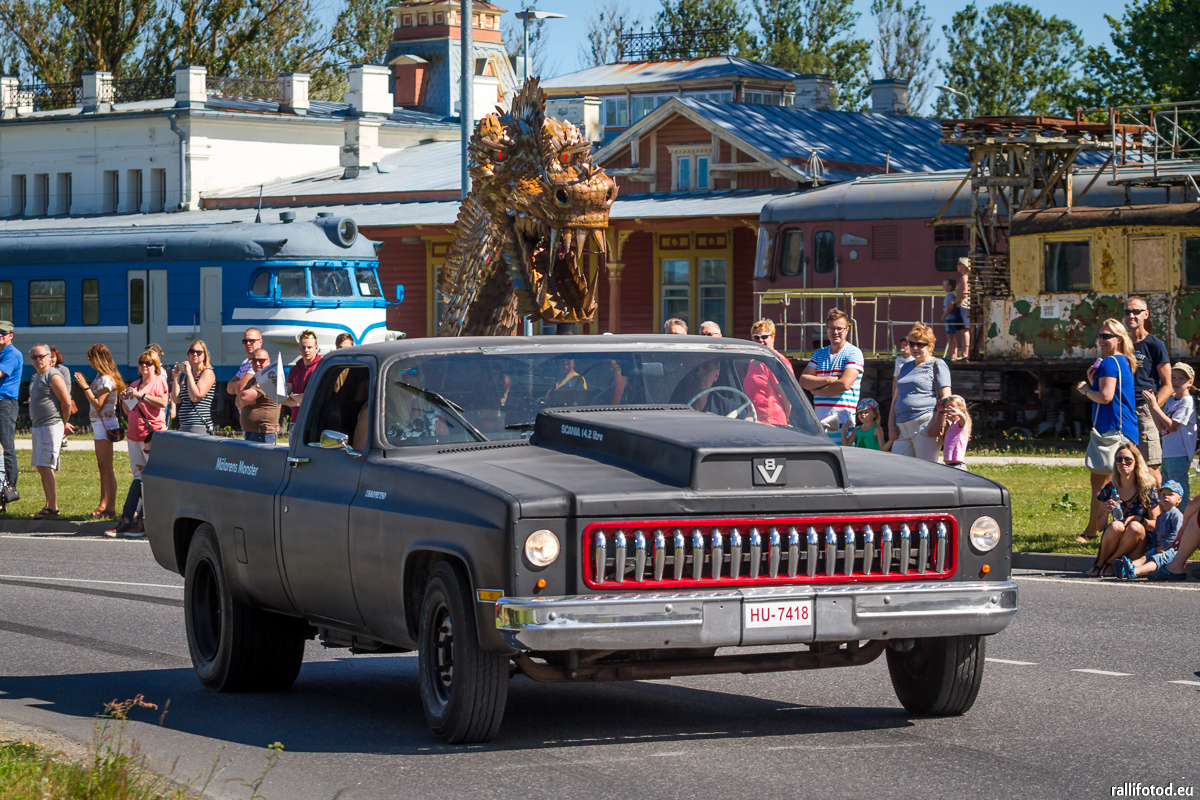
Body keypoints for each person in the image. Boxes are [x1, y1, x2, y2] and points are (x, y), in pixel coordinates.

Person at [1075, 318, 1139, 543]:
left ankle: (1092, 531)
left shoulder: (1110, 362)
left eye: (1106, 336)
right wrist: (1094, 381)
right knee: (1115, 483)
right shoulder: (1124, 361)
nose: (1101, 340)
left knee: (1100, 484)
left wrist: (1085, 390)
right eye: (1100, 335)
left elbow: (1105, 396)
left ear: (1119, 339)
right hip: (1124, 428)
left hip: (1112, 430)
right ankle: (1112, 528)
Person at [107, 350, 168, 537]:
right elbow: (129, 411)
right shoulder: (134, 384)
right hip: (134, 435)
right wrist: (125, 400)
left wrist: (140, 395)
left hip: (151, 436)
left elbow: (163, 402)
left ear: (155, 366)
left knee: (150, 478)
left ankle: (142, 521)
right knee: (138, 477)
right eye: (142, 362)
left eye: (149, 363)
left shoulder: (159, 381)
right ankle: (128, 520)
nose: (144, 366)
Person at [1087, 442, 1159, 577]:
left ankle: (1108, 563)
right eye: (1119, 459)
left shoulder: (1147, 489)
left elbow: (1157, 524)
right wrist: (1107, 512)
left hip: (1138, 542)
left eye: (1128, 459)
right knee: (1116, 526)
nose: (1123, 463)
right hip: (1117, 538)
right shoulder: (1110, 488)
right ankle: (1100, 563)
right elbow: (1099, 527)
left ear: (1136, 462)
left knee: (1135, 527)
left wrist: (1141, 520)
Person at [74, 344, 125, 518]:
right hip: (100, 424)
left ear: (97, 359)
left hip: (105, 425)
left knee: (106, 467)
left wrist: (85, 386)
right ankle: (103, 504)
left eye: (90, 357)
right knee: (102, 466)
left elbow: (98, 404)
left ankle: (109, 507)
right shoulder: (101, 377)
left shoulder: (105, 379)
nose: (88, 360)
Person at [1124, 296, 1171, 483]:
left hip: (1144, 410)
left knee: (1151, 468)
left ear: (1146, 314)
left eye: (1136, 312)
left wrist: (1153, 407)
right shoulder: (1121, 344)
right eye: (1127, 312)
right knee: (1125, 467)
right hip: (1123, 411)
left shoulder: (1155, 345)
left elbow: (1168, 385)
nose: (1131, 316)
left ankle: (1161, 502)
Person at [888, 323, 951, 461]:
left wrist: (938, 423)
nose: (915, 348)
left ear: (930, 346)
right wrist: (891, 425)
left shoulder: (938, 364)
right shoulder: (905, 367)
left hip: (925, 425)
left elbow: (946, 397)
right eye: (911, 344)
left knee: (925, 469)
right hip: (901, 427)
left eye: (920, 344)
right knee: (899, 469)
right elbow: (896, 399)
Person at [27, 344, 76, 518]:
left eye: (41, 356)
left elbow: (66, 402)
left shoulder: (53, 376)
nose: (38, 360)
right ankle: (48, 505)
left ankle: (53, 507)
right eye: (34, 357)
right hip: (39, 426)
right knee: (41, 466)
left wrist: (64, 423)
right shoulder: (37, 376)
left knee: (47, 466)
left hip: (50, 426)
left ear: (49, 357)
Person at [800, 309, 863, 440]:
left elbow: (844, 384)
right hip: (820, 426)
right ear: (826, 329)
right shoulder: (820, 353)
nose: (835, 332)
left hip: (844, 427)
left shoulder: (854, 353)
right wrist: (828, 380)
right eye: (832, 328)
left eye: (839, 328)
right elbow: (803, 380)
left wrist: (817, 391)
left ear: (847, 329)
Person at [1144, 362, 1196, 506]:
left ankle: (1183, 517)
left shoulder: (1187, 401)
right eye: (1173, 377)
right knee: (1167, 489)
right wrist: (1151, 407)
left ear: (1190, 382)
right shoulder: (1171, 401)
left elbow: (1172, 426)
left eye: (1181, 378)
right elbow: (1162, 429)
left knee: (1178, 491)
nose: (1176, 381)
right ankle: (1171, 516)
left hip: (1179, 453)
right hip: (1168, 453)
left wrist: (1155, 406)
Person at [1115, 480, 1184, 579]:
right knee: (1145, 557)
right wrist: (1151, 549)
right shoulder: (1160, 517)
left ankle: (1135, 571)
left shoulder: (1177, 515)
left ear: (1179, 499)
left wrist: (1163, 547)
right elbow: (1155, 535)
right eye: (1163, 494)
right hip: (1159, 547)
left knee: (1157, 559)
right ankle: (1126, 567)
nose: (1166, 497)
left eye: (1170, 494)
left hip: (1173, 549)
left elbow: (1176, 534)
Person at [744, 319, 793, 426]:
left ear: (773, 338)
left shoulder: (775, 361)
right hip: (755, 421)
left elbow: (788, 397)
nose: (760, 340)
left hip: (773, 422)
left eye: (764, 337)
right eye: (756, 337)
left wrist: (785, 423)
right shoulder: (752, 362)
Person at [172, 340, 216, 434]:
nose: (195, 354)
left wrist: (189, 374)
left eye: (199, 352)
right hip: (184, 425)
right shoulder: (188, 376)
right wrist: (176, 378)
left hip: (198, 426)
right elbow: (176, 399)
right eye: (192, 352)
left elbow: (195, 397)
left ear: (204, 355)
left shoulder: (207, 373)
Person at [237, 349, 280, 444]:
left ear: (268, 361)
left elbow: (243, 398)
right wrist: (244, 399)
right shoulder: (253, 379)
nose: (257, 364)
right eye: (253, 360)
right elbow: (238, 401)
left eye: (261, 360)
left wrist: (244, 399)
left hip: (263, 434)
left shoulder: (269, 377)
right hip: (252, 432)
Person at [0, 321, 21, 505]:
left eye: (3, 333)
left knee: (6, 446)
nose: (0, 336)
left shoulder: (12, 354)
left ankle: (10, 488)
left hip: (5, 404)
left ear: (11, 335)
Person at [283, 330, 321, 423]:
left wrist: (292, 397)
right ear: (299, 348)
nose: (306, 350)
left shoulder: (321, 367)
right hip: (296, 420)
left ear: (316, 348)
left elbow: (313, 397)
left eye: (309, 347)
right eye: (303, 347)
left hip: (314, 421)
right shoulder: (294, 370)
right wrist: (298, 399)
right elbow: (282, 396)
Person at [931, 394, 971, 470]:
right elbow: (946, 443)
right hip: (950, 465)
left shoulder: (960, 424)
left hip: (957, 465)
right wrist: (940, 436)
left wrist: (959, 414)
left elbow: (963, 419)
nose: (949, 412)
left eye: (952, 410)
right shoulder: (951, 427)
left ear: (961, 410)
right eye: (947, 409)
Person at [227, 327, 263, 397]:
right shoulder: (246, 362)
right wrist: (242, 380)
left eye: (252, 340)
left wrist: (239, 381)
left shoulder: (258, 362)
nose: (248, 343)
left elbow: (240, 388)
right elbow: (229, 389)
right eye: (245, 341)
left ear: (260, 342)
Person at [943, 278, 968, 361]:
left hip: (949, 319)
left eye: (944, 285)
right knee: (952, 337)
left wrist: (944, 315)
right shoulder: (951, 296)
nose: (943, 287)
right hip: (951, 318)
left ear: (949, 287)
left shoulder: (949, 296)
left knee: (950, 337)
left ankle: (951, 355)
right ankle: (954, 354)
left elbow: (950, 308)